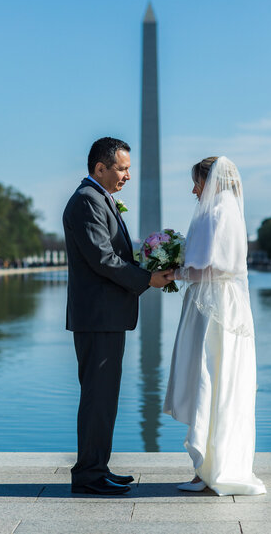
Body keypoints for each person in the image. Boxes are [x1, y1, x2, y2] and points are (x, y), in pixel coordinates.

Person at [63, 137, 170, 495]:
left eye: (128, 168)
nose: (127, 175)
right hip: (98, 317)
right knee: (98, 395)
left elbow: (112, 254)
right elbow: (102, 258)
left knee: (104, 395)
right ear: (100, 168)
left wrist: (152, 262)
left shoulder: (100, 199)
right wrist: (147, 279)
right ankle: (89, 475)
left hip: (105, 315)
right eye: (122, 168)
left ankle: (97, 467)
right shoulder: (86, 201)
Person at [163, 156, 266, 496]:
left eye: (197, 182)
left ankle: (207, 468)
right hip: (226, 306)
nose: (194, 189)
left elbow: (211, 268)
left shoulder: (216, 212)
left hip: (211, 308)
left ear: (212, 181)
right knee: (224, 380)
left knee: (207, 375)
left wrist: (171, 272)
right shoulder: (229, 209)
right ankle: (216, 464)